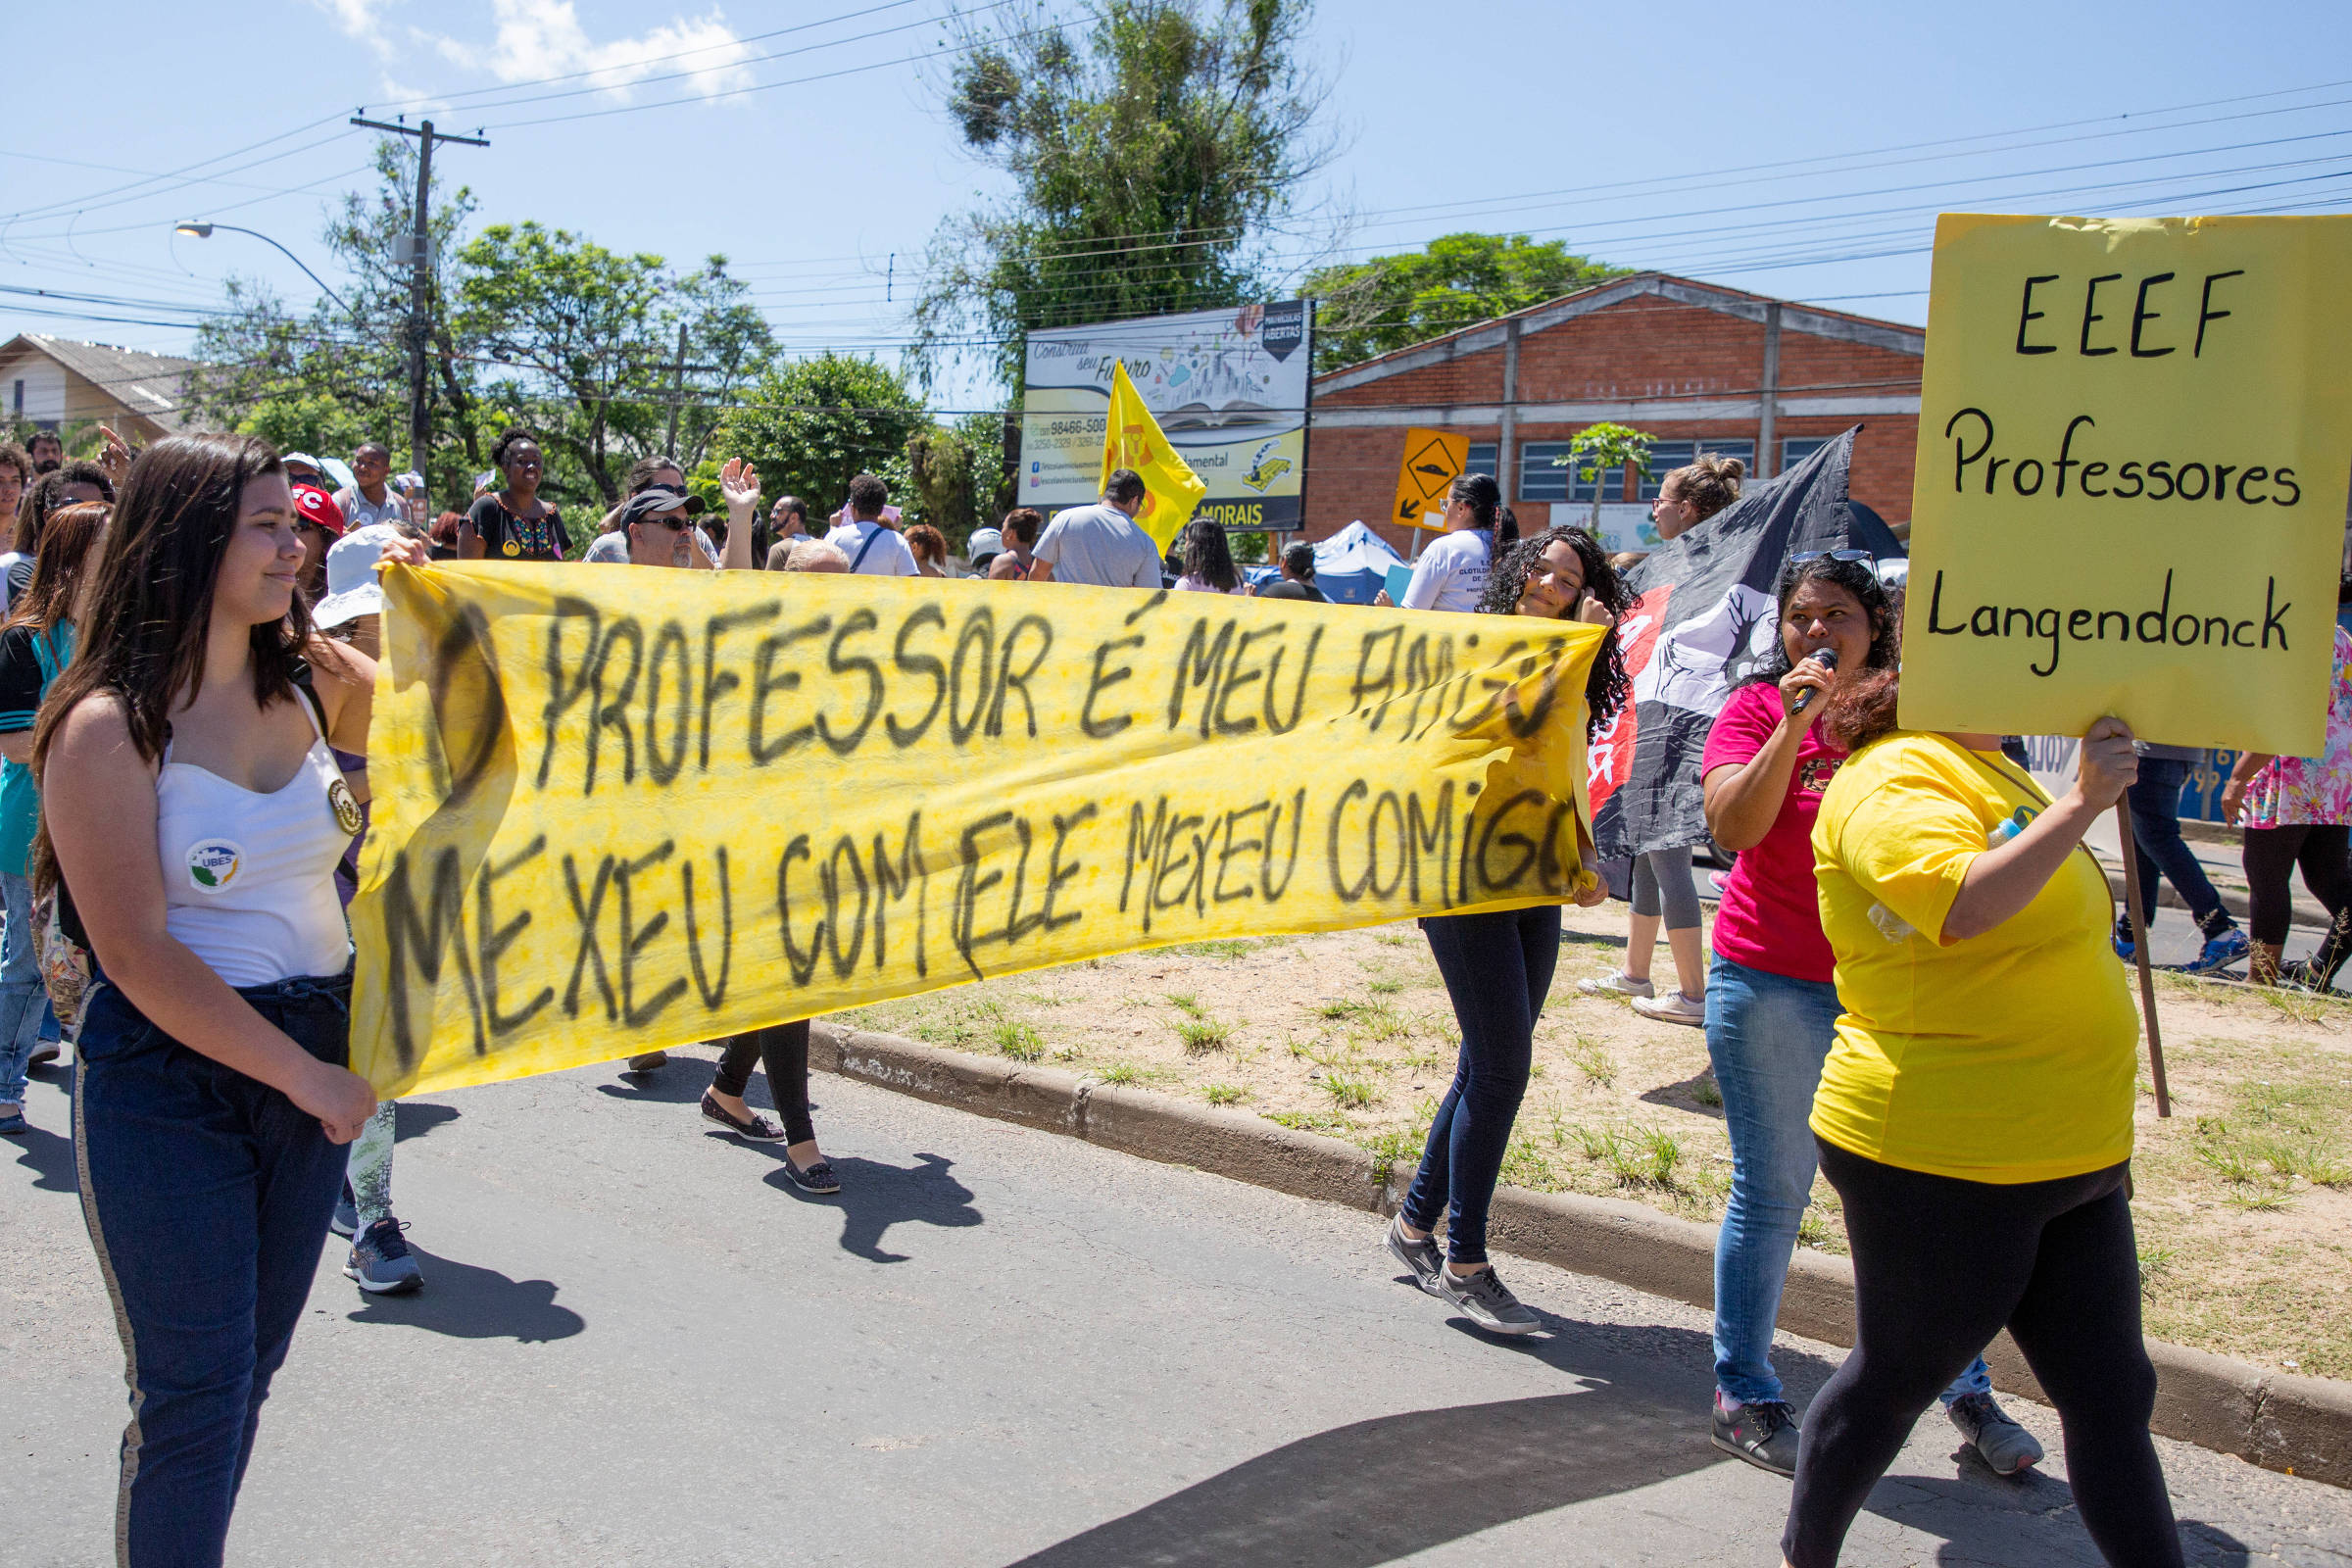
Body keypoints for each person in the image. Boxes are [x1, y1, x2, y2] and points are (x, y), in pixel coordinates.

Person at [39, 432, 429, 1565]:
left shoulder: (312, 679)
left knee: (244, 1377)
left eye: (297, 525)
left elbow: (470, 721)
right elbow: (139, 955)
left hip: (310, 1060)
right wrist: (309, 1076)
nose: (294, 544)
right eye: (265, 525)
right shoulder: (107, 726)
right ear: (189, 540)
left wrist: (427, 602)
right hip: (172, 1080)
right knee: (194, 1398)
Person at [1782, 678, 2181, 1568]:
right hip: (1945, 1155)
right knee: (1896, 1381)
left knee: (2114, 1395)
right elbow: (1961, 905)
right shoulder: (1893, 775)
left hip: (2073, 1155)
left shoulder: (1992, 766)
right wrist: (2084, 800)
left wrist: (2078, 800)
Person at [1696, 553, 2039, 1480]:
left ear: (1873, 630)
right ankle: (1744, 1391)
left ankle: (1962, 1386)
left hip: (1893, 991)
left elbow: (1990, 795)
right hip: (1771, 981)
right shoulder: (1758, 711)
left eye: (1837, 616)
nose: (1816, 632)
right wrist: (1798, 719)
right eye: (1801, 617)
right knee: (1772, 1194)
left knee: (1917, 1203)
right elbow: (1733, 828)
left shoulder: (1913, 720)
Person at [1386, 525, 1630, 1332]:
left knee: (1486, 1059)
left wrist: (1582, 856)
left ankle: (1416, 1223)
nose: (1549, 583)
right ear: (1516, 573)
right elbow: (1497, 726)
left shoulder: (1578, 661)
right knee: (1501, 1069)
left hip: (1532, 877)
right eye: (1541, 568)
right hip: (1461, 874)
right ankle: (1467, 1260)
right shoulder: (1482, 644)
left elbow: (1559, 767)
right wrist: (1578, 642)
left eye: (1568, 579)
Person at [295, 522, 425, 1294]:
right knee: (356, 1063)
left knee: (382, 1065)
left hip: (397, 896)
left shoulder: (419, 667)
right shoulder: (319, 674)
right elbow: (300, 792)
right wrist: (398, 781)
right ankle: (369, 1221)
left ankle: (356, 1196)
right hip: (322, 902)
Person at [1578, 454, 1747, 1027]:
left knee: (1670, 856)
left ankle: (1695, 995)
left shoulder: (1707, 569)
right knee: (1651, 853)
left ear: (1689, 510)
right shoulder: (1689, 563)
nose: (1654, 508)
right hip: (1661, 720)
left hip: (1681, 724)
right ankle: (1636, 971)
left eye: (1662, 500)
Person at [0, 500, 109, 1135]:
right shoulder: (24, 639)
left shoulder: (123, 634)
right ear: (73, 559)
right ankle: (4, 1084)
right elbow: (12, 743)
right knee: (29, 964)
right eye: (109, 546)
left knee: (97, 969)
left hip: (104, 826)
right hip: (30, 828)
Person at [2222, 616, 2352, 989]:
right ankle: (2306, 973)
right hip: (2335, 775)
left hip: (2290, 772)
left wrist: (2238, 778)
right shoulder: (2342, 638)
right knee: (2329, 879)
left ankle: (2261, 978)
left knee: (2267, 877)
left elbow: (2284, 718)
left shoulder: (2298, 636)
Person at [2112, 739, 2250, 973]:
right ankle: (2131, 934)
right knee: (2144, 843)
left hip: (2153, 752)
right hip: (2172, 752)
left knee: (2157, 838)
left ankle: (2220, 928)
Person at [1376, 471, 1500, 612]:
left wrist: (1388, 608)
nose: (1445, 511)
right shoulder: (1512, 545)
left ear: (1461, 508)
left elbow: (1411, 615)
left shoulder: (1443, 549)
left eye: (1446, 504)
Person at [1032, 468, 1161, 589]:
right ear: (1134, 501)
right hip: (1113, 612)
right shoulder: (1144, 542)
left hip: (1067, 612)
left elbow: (1036, 576)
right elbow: (1150, 597)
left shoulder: (1065, 519)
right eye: (1140, 505)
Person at [461, 427, 570, 562]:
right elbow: (467, 575)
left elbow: (560, 572)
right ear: (506, 468)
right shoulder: (486, 509)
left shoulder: (551, 515)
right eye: (522, 461)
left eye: (537, 462)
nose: (531, 467)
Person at [824, 472, 918, 576]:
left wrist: (833, 527)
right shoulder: (897, 541)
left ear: (853, 507)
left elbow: (822, 573)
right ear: (881, 509)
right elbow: (911, 579)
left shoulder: (834, 537)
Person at [331, 442, 406, 531]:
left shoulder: (399, 505)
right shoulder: (342, 501)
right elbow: (327, 540)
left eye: (371, 463)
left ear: (386, 471)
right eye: (359, 461)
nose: (362, 467)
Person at [289, 483, 345, 601]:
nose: (285, 533)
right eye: (274, 523)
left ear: (327, 543)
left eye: (300, 524)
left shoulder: (347, 604)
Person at [1172, 517, 1245, 594]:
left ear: (1195, 546)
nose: (1185, 546)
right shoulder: (1236, 584)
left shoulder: (1186, 584)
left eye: (1187, 540)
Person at [1256, 539, 1327, 603]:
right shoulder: (1322, 599)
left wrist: (1249, 600)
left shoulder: (1275, 592)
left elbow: (1256, 615)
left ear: (1284, 561)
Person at [987, 509, 1047, 581]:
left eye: (1003, 527)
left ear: (1011, 533)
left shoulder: (1002, 562)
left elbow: (992, 591)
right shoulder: (1041, 566)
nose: (1001, 531)